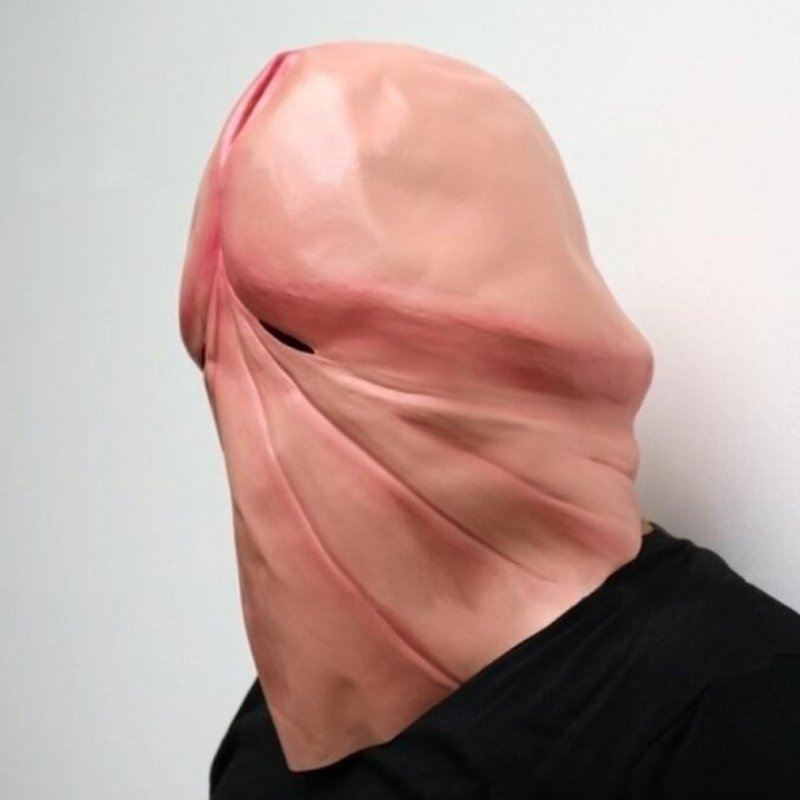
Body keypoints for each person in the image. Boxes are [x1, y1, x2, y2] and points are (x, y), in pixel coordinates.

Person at [177, 41, 800, 798]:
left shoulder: (734, 706)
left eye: (297, 336)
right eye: (219, 346)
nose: (265, 409)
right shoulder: (278, 724)